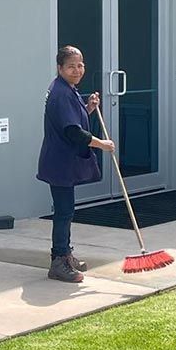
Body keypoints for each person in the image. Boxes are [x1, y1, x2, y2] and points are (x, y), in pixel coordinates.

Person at [37, 46, 115, 283]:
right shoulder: (61, 93)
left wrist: (88, 107)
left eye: (80, 65)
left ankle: (65, 254)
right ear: (60, 68)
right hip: (60, 163)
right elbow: (72, 131)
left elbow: (73, 118)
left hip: (61, 161)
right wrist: (100, 143)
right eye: (71, 66)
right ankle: (58, 262)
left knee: (66, 210)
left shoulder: (66, 89)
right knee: (63, 212)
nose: (77, 70)